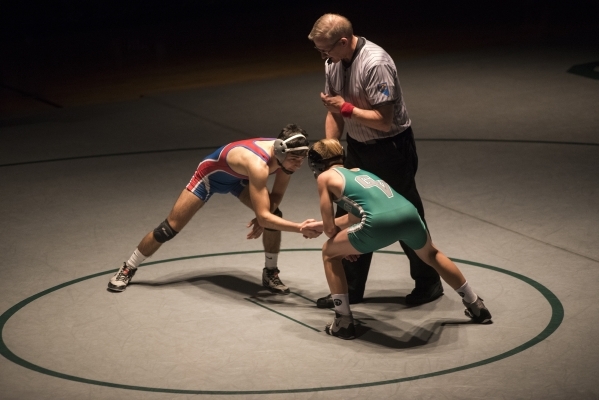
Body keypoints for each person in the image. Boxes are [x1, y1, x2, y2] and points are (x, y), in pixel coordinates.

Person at [307, 13, 444, 308]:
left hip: (391, 148)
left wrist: (344, 108)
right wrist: (333, 151)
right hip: (357, 146)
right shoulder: (333, 62)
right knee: (352, 210)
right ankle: (350, 287)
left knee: (404, 214)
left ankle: (429, 282)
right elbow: (333, 111)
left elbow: (383, 121)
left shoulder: (376, 64)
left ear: (343, 41)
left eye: (326, 49)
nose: (323, 55)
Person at [301, 139, 492, 339]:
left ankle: (343, 321)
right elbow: (355, 215)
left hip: (379, 224)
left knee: (328, 253)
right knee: (432, 254)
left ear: (315, 164)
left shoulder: (324, 178)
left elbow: (331, 230)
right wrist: (323, 228)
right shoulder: (358, 171)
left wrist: (341, 249)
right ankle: (475, 303)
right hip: (409, 214)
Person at [108, 123, 321, 293]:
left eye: (302, 159)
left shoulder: (287, 160)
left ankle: (270, 272)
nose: (298, 164)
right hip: (209, 178)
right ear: (281, 151)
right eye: (295, 159)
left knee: (274, 215)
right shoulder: (259, 165)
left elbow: (275, 198)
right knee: (168, 229)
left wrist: (263, 215)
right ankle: (128, 267)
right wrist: (296, 226)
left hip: (239, 178)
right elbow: (266, 215)